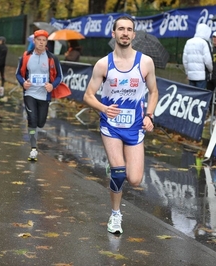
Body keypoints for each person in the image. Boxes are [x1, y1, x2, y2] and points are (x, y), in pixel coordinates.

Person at [83, 16, 158, 234]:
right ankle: (115, 214)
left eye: (129, 29)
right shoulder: (103, 64)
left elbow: (154, 91)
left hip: (135, 126)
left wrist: (149, 115)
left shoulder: (145, 63)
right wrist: (104, 109)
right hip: (111, 125)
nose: (125, 33)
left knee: (134, 179)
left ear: (134, 35)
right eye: (121, 29)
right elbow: (88, 96)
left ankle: (117, 169)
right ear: (113, 33)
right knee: (118, 171)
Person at [15, 29, 63, 161]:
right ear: (34, 41)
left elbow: (60, 76)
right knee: (32, 119)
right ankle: (33, 148)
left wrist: (52, 86)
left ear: (46, 42)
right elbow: (18, 74)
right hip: (29, 93)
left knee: (40, 123)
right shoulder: (26, 56)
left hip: (44, 95)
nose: (41, 43)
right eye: (39, 40)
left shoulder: (52, 58)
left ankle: (35, 137)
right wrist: (23, 83)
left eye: (44, 40)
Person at [182, 23, 213, 89]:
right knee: (200, 96)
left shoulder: (188, 42)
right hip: (201, 77)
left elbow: (185, 60)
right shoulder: (204, 43)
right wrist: (211, 70)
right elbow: (208, 61)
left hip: (191, 76)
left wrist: (187, 72)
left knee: (192, 96)